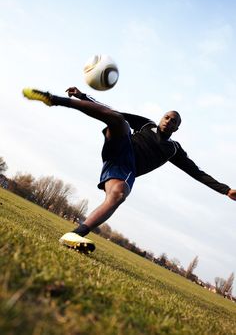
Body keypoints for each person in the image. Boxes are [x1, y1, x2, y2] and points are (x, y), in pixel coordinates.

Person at [22, 87, 236, 252]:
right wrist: (82, 96)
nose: (169, 121)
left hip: (125, 169)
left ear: (177, 128)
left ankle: (75, 234)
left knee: (118, 194)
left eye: (174, 121)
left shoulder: (173, 149)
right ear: (162, 118)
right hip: (119, 146)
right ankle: (54, 100)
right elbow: (112, 111)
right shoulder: (146, 124)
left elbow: (197, 172)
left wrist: (225, 190)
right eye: (167, 117)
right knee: (118, 119)